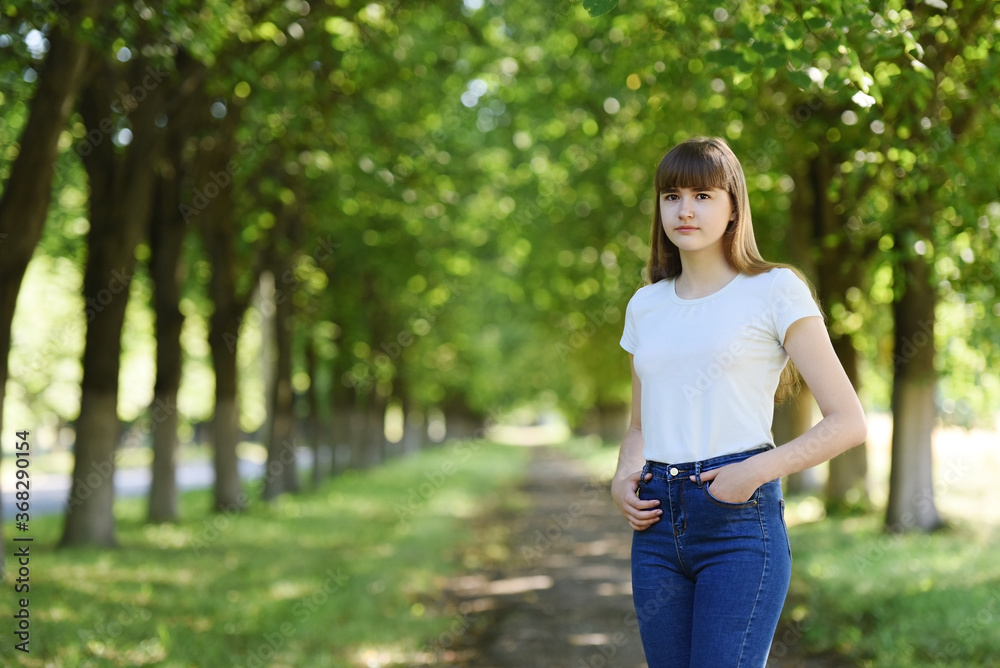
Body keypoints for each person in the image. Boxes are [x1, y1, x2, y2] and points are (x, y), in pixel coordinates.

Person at [611, 136, 867, 668]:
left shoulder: (775, 289)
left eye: (703, 195)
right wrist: (623, 475)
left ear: (733, 209)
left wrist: (752, 473)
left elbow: (848, 422)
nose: (684, 209)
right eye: (671, 195)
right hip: (656, 527)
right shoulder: (646, 305)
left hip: (737, 522)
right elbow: (641, 425)